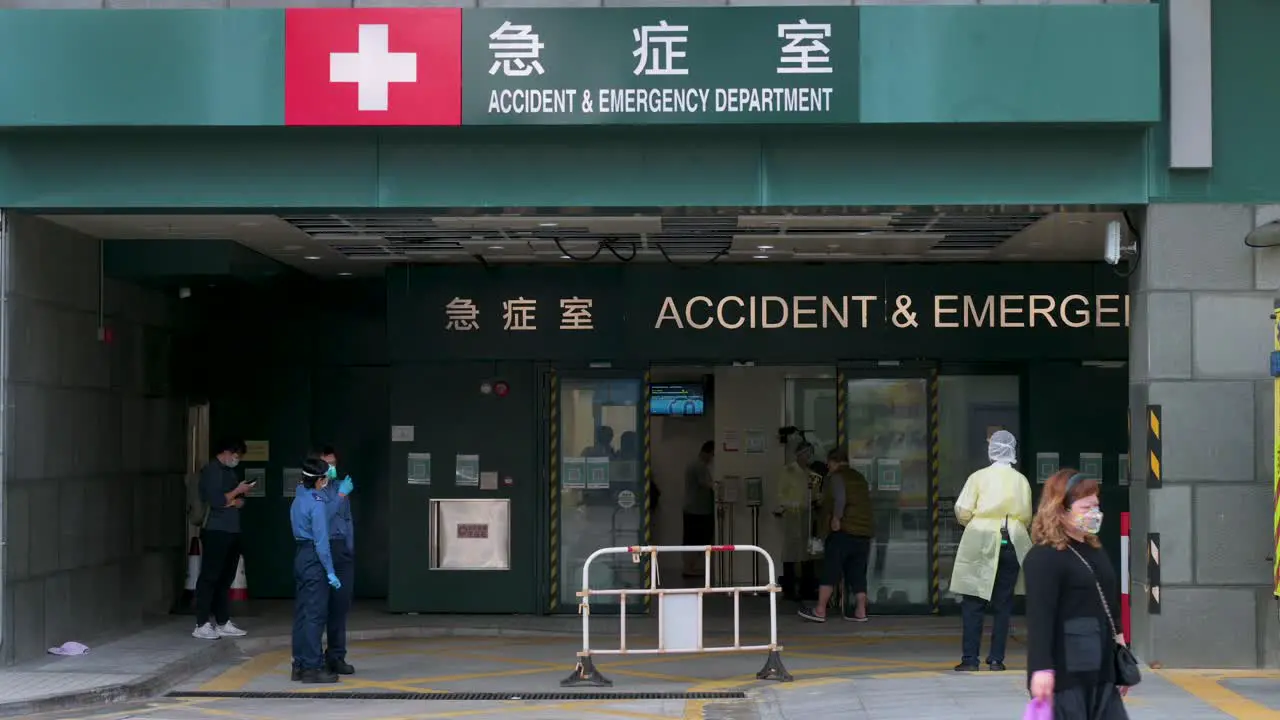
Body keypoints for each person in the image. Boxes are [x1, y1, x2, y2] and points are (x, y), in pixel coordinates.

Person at [1024, 469, 1131, 719]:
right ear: (1060, 510)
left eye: (1096, 505)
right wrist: (1040, 669)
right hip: (1066, 675)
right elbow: (1040, 617)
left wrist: (1121, 648)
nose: (1094, 513)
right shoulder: (1044, 557)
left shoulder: (1094, 548)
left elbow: (1109, 603)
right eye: (1086, 507)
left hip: (1101, 670)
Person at [950, 429, 1033, 672]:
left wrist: (975, 524)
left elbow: (962, 509)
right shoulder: (1021, 480)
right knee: (1003, 602)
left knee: (973, 600)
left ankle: (970, 659)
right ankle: (996, 659)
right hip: (1011, 539)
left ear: (991, 450)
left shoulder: (978, 477)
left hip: (980, 538)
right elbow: (1026, 515)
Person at [798, 445, 874, 623]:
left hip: (843, 532)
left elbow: (840, 498)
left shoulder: (837, 477)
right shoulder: (859, 477)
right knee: (857, 572)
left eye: (829, 464)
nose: (828, 467)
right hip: (863, 533)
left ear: (834, 462)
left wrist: (836, 519)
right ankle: (861, 611)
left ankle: (820, 610)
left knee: (830, 571)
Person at [290, 457, 344, 684]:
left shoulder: (299, 497)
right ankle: (313, 667)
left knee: (302, 614)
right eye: (325, 476)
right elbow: (322, 543)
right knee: (315, 614)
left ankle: (300, 664)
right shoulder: (317, 502)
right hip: (314, 557)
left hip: (301, 555)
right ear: (320, 480)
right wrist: (330, 572)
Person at [192, 439, 252, 640]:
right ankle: (201, 623)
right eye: (236, 456)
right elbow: (217, 501)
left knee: (225, 578)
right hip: (216, 530)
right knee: (210, 576)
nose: (237, 460)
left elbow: (231, 501)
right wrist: (236, 493)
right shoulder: (211, 471)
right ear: (226, 451)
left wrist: (235, 500)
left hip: (232, 530)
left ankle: (223, 620)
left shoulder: (229, 472)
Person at [311, 447, 356, 676]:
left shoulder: (340, 488)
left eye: (334, 463)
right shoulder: (313, 491)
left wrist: (350, 547)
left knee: (340, 607)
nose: (332, 467)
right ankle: (313, 658)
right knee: (318, 608)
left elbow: (346, 520)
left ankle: (336, 656)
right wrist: (339, 497)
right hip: (321, 548)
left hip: (341, 550)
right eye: (327, 464)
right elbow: (323, 518)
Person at [775, 437, 820, 601]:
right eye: (805, 453)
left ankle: (807, 588)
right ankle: (789, 588)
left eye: (810, 453)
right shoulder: (788, 471)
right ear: (799, 454)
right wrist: (791, 504)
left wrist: (817, 500)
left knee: (808, 552)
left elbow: (815, 494)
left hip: (808, 515)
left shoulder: (812, 474)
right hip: (793, 515)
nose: (808, 456)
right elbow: (780, 494)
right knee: (791, 551)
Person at [682, 440, 715, 577]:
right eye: (713, 454)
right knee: (695, 540)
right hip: (698, 510)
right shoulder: (699, 466)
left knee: (692, 539)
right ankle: (689, 568)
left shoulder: (695, 465)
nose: (713, 458)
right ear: (708, 452)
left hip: (695, 508)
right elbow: (707, 485)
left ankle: (690, 567)